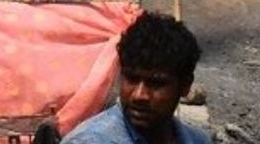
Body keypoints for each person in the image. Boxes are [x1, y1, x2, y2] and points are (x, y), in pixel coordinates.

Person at [63, 11, 210, 144]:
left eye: (156, 84)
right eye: (132, 79)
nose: (139, 95)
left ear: (185, 86)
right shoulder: (90, 140)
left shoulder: (197, 140)